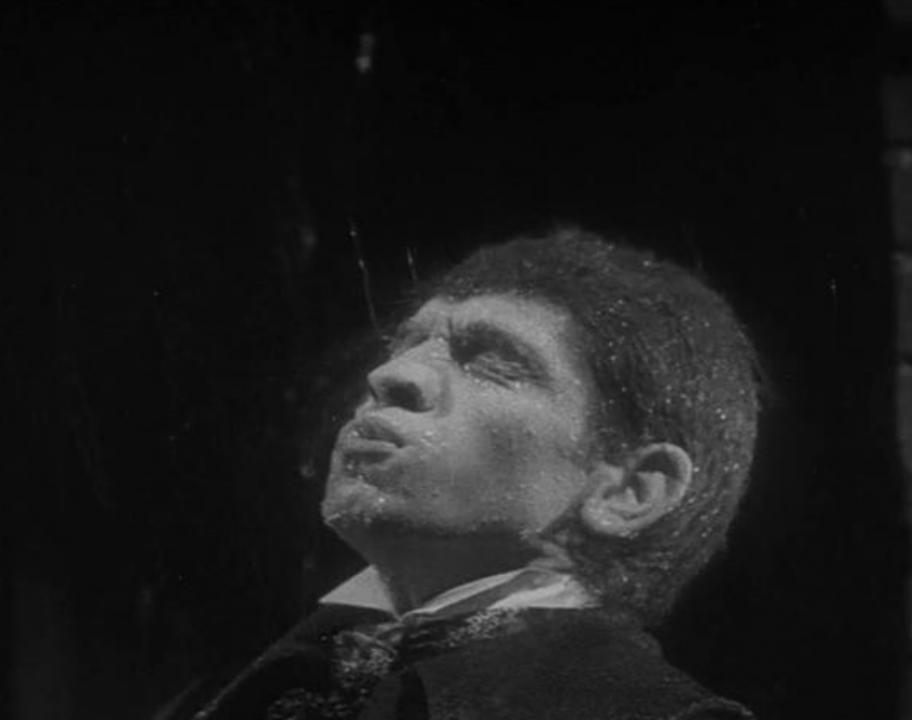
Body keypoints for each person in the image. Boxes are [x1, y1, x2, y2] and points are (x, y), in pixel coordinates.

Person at [161, 226, 762, 720]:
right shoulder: (241, 692)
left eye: (494, 363)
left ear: (628, 491)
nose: (391, 376)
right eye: (404, 345)